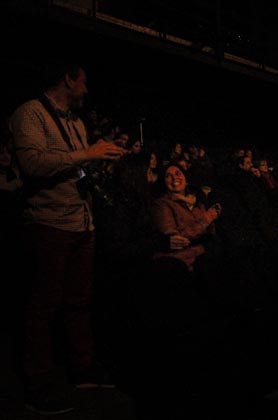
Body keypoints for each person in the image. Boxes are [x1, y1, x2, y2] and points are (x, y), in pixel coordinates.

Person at [10, 61, 126, 415]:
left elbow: (74, 166)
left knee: (78, 301)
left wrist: (101, 157)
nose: (87, 90)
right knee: (43, 306)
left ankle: (82, 368)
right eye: (84, 82)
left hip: (81, 222)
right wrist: (87, 153)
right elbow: (33, 164)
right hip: (49, 223)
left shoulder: (75, 121)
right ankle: (39, 384)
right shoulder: (30, 113)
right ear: (69, 79)